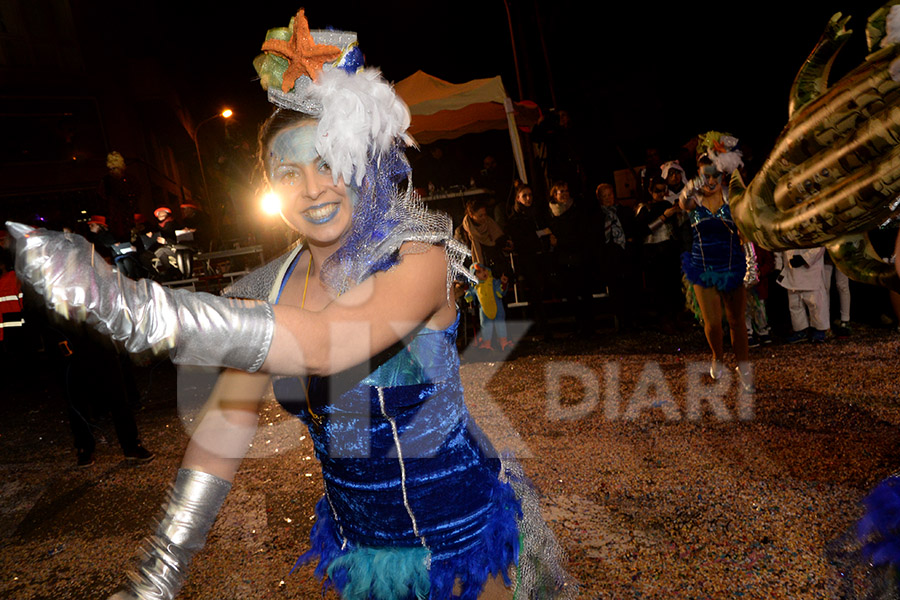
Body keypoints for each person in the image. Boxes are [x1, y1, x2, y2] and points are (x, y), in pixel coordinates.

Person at [7, 9, 574, 600]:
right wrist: (158, 574)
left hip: (461, 544)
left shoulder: (415, 258)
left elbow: (326, 343)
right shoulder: (261, 292)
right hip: (363, 556)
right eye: (288, 172)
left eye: (328, 161)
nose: (313, 188)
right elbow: (223, 429)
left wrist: (132, 306)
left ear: (363, 163)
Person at [678, 131, 753, 391]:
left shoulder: (731, 195)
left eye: (715, 174)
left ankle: (744, 368)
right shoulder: (694, 196)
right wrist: (695, 185)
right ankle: (717, 357)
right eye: (705, 174)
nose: (710, 179)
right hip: (702, 265)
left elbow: (746, 227)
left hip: (731, 264)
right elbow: (682, 202)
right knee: (712, 322)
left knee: (736, 321)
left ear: (723, 173)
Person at [504, 182, 554, 338]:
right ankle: (541, 329)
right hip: (528, 259)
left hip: (542, 256)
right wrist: (539, 234)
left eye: (530, 195)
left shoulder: (538, 213)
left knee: (543, 291)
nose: (528, 198)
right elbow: (521, 240)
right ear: (518, 198)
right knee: (535, 294)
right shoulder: (516, 218)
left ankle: (545, 326)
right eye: (524, 195)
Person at [774, 247, 830, 343]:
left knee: (816, 302)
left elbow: (819, 246)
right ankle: (800, 330)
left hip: (811, 270)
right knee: (795, 304)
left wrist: (805, 258)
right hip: (791, 270)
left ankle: (819, 330)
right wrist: (778, 266)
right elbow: (779, 246)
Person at [454, 197, 512, 279]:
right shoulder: (461, 232)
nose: (484, 218)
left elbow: (501, 243)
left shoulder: (491, 225)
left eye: (485, 214)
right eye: (480, 216)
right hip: (474, 272)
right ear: (471, 215)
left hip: (493, 270)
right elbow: (458, 256)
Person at [464, 262, 512, 351]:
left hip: (497, 309)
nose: (483, 273)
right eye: (479, 272)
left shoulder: (493, 282)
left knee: (500, 324)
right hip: (484, 310)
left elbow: (500, 291)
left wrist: (503, 284)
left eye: (484, 270)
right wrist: (468, 293)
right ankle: (487, 344)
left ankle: (504, 342)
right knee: (486, 326)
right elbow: (470, 295)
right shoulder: (475, 287)